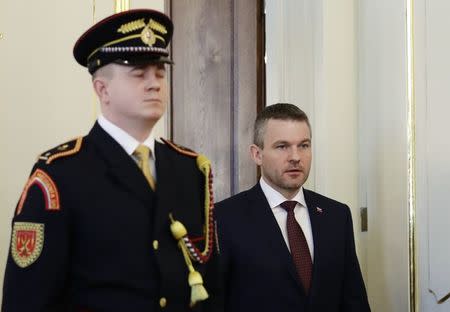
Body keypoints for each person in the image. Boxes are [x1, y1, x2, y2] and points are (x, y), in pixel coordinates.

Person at [2, 9, 222, 312]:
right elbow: (26, 300)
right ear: (102, 89)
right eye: (139, 73)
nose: (154, 83)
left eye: (160, 72)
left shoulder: (189, 168)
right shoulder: (61, 174)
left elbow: (210, 287)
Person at [215, 103, 370, 312]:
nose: (295, 156)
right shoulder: (224, 219)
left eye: (304, 145)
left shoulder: (336, 216)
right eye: (282, 146)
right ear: (257, 154)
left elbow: (354, 301)